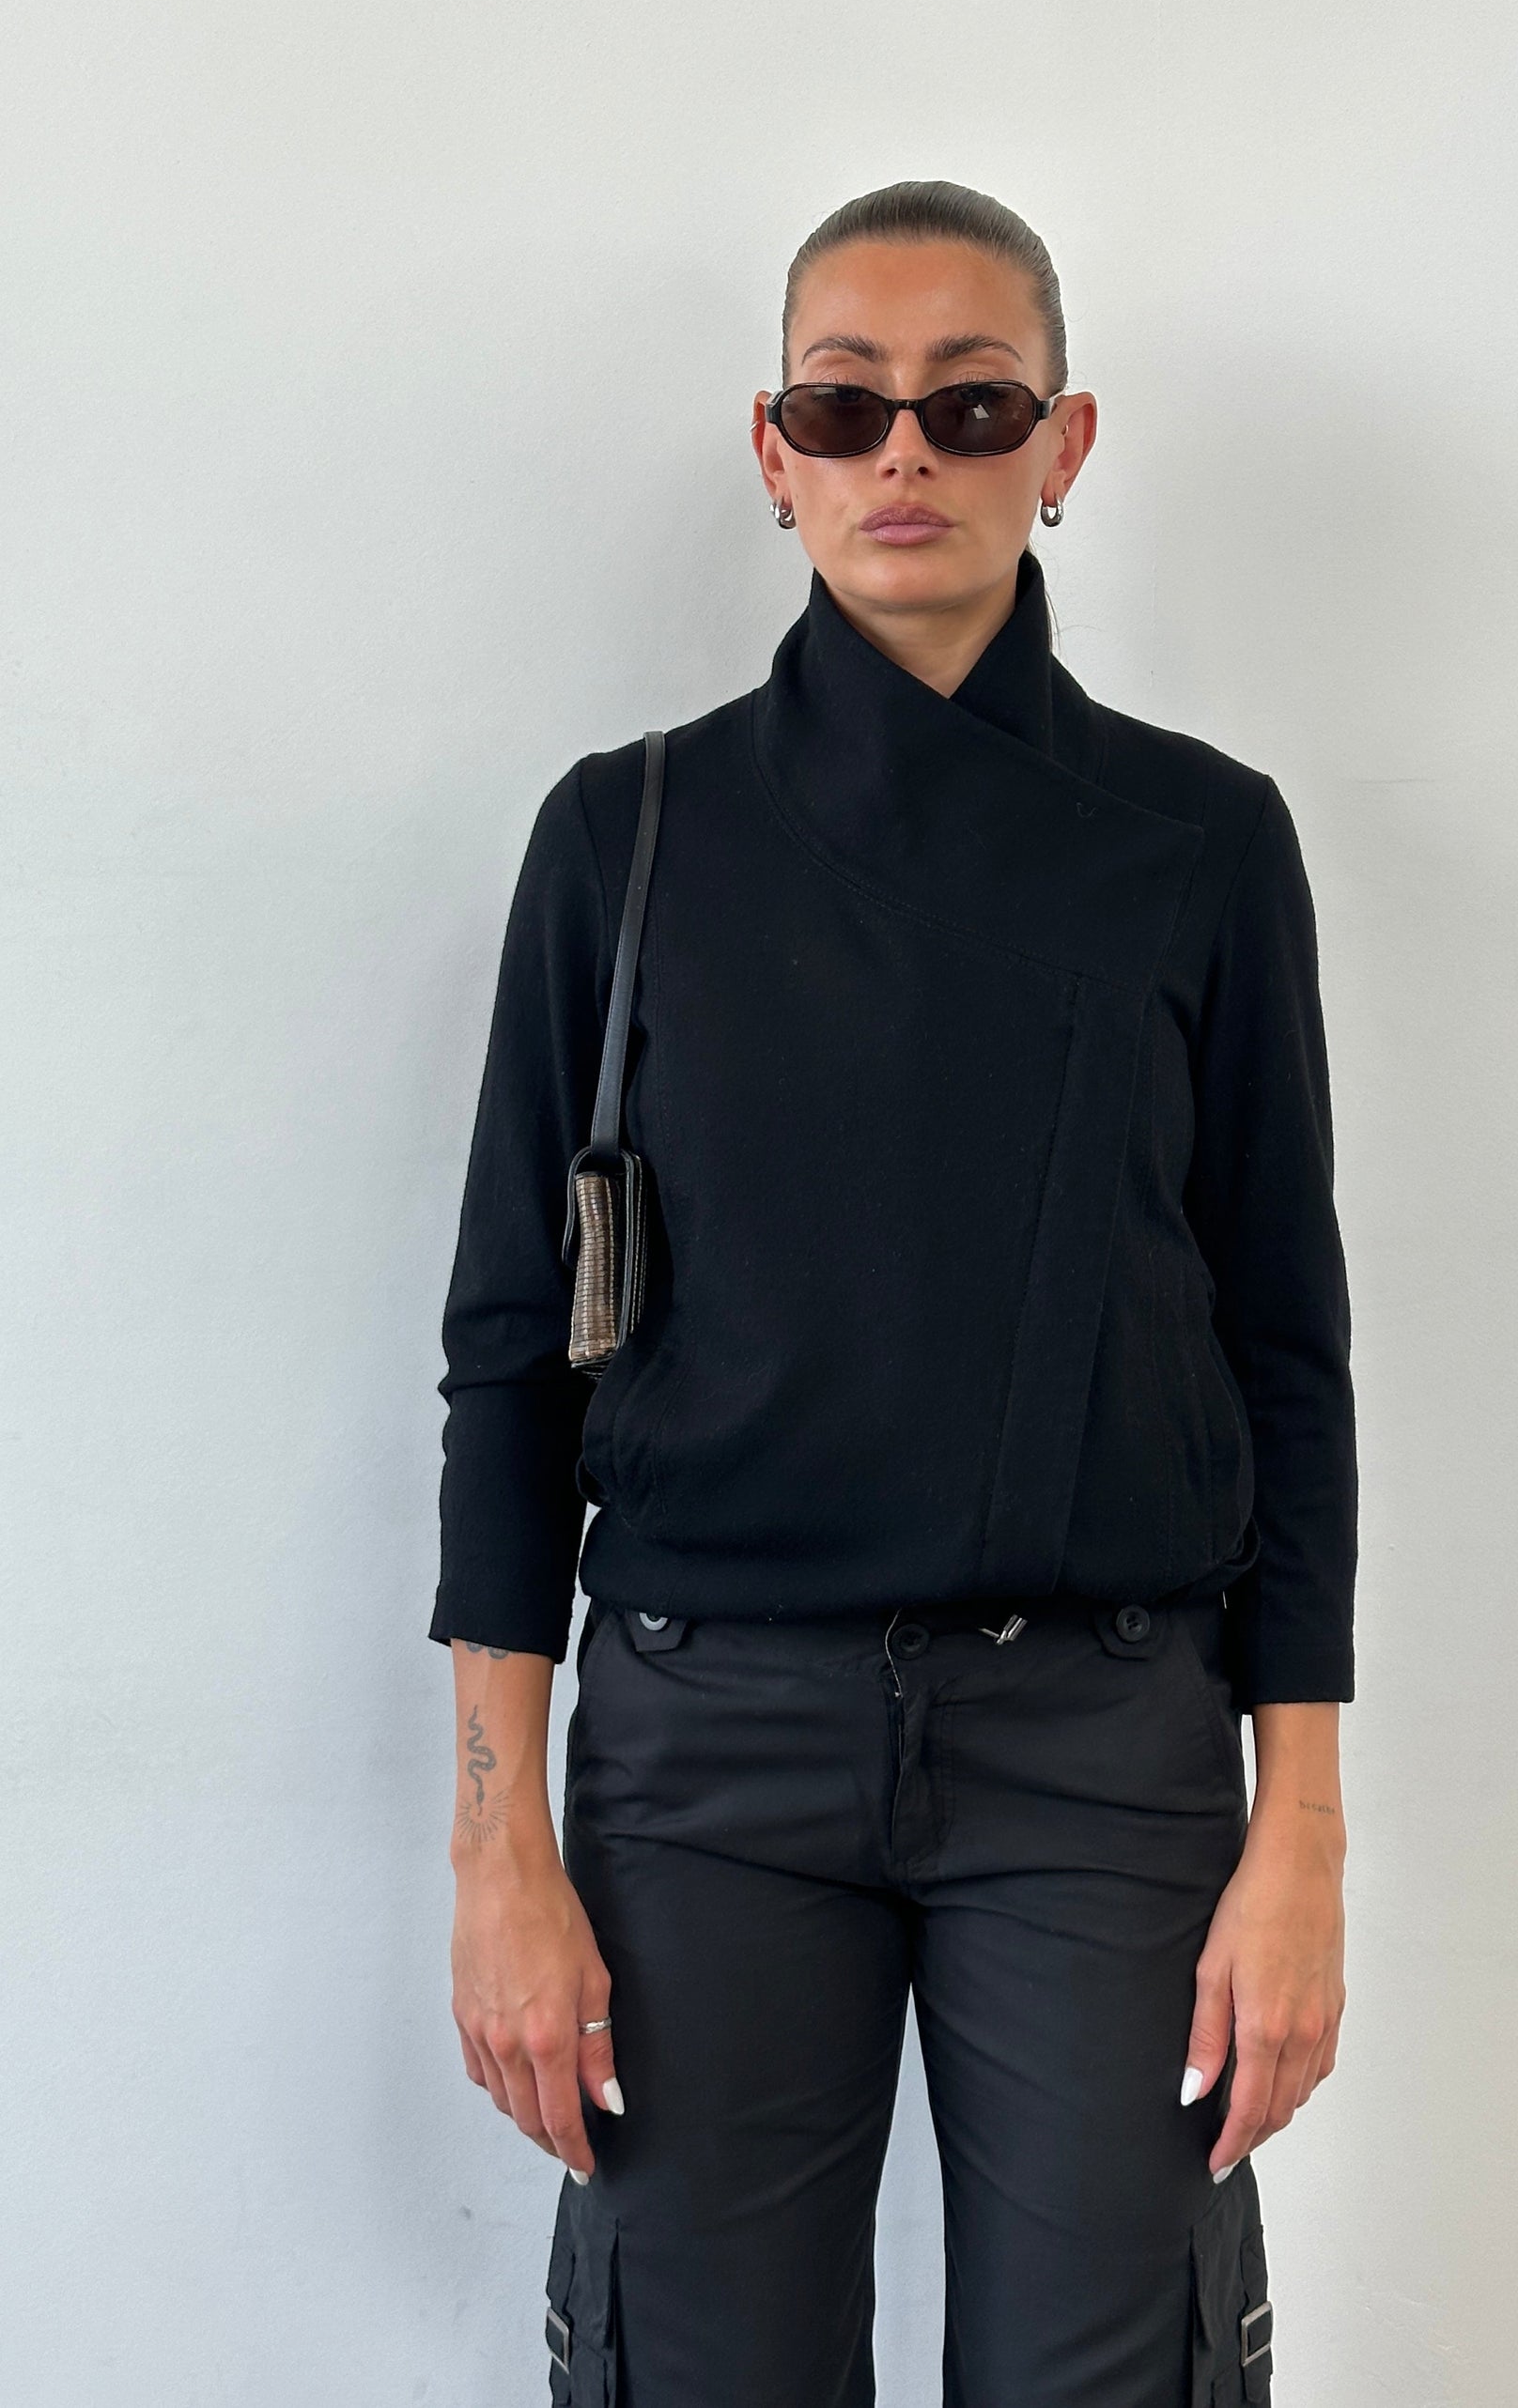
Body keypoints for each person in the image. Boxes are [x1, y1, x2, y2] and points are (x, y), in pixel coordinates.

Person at [430, 178, 1355, 2407]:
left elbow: (1282, 1345)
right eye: (844, 407)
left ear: (1066, 442)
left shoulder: (1200, 840)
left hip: (1102, 1748)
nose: (905, 452)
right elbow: (508, 1359)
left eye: (973, 403)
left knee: (1109, 2371)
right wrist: (500, 1843)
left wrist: (1301, 1827)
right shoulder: (627, 835)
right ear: (774, 453)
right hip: (704, 1749)